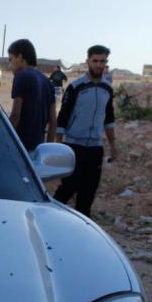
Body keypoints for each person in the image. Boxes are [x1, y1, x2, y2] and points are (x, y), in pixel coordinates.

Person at [53, 44, 116, 218]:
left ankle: (82, 232)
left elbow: (109, 119)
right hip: (74, 146)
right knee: (68, 187)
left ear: (106, 63)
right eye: (95, 61)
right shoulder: (76, 87)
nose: (98, 65)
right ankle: (50, 219)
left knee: (88, 195)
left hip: (95, 148)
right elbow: (63, 117)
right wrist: (58, 147)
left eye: (102, 61)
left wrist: (113, 146)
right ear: (87, 61)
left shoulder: (108, 89)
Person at [7, 38, 56, 151]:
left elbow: (15, 116)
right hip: (38, 149)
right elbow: (53, 122)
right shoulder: (47, 81)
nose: (10, 65)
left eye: (11, 60)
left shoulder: (21, 76)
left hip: (21, 149)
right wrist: (47, 151)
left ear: (20, 57)